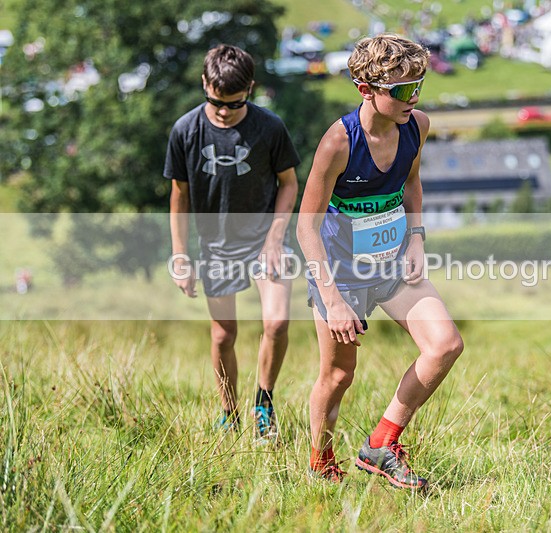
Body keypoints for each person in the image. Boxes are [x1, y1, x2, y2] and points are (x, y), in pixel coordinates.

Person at [296, 34, 463, 488]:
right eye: (403, 89)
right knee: (337, 376)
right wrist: (332, 300)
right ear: (366, 89)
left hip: (392, 264)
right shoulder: (338, 143)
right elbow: (306, 228)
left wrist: (417, 239)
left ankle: (381, 445)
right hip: (340, 274)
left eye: (419, 86)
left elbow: (411, 183)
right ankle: (320, 462)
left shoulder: (416, 125)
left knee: (445, 344)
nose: (414, 98)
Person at [164, 44, 300, 440]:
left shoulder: (269, 127)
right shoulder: (186, 130)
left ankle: (264, 405)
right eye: (216, 102)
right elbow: (179, 196)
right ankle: (229, 412)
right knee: (223, 335)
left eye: (235, 104)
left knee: (277, 322)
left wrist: (275, 240)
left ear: (250, 89)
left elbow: (289, 184)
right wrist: (180, 255)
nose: (224, 112)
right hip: (217, 245)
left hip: (264, 240)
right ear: (204, 84)